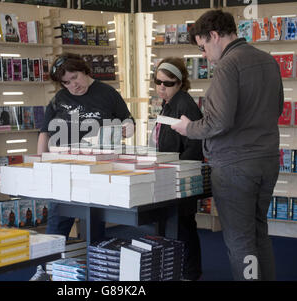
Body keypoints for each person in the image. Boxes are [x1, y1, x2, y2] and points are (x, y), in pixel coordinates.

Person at [171, 10, 283, 281]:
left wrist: (189, 128)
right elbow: (277, 107)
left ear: (214, 35)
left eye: (203, 47)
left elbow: (218, 122)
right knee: (258, 233)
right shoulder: (268, 61)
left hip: (235, 166)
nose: (206, 55)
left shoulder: (228, 66)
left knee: (240, 240)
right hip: (267, 160)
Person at [37, 52, 134, 240]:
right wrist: (41, 167)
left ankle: (95, 267)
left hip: (97, 171)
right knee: (57, 226)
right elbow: (44, 133)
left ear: (84, 70)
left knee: (94, 227)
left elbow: (128, 123)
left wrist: (125, 129)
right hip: (63, 171)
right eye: (66, 82)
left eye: (75, 77)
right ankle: (46, 268)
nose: (73, 85)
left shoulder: (107, 93)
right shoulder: (59, 98)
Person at [151, 57, 203, 281]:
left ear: (180, 83)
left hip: (180, 175)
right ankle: (182, 269)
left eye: (168, 83)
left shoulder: (184, 105)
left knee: (183, 225)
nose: (162, 87)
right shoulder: (170, 102)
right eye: (158, 81)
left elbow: (195, 145)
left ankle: (189, 272)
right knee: (178, 225)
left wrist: (177, 175)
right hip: (172, 172)